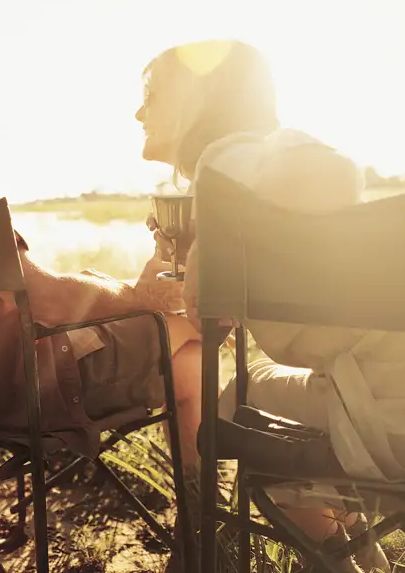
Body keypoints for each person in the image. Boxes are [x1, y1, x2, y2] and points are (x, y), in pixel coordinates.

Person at [0, 42, 203, 499]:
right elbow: (43, 297)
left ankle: (198, 514)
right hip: (22, 395)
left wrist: (114, 291)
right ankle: (203, 514)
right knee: (189, 335)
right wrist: (138, 298)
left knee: (166, 340)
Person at [139, 39, 390, 572]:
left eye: (152, 94)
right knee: (249, 387)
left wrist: (216, 233)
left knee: (235, 405)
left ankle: (336, 559)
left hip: (389, 420)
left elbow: (331, 174)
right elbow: (215, 308)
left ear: (194, 101)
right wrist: (221, 247)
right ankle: (353, 554)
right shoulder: (242, 163)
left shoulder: (233, 156)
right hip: (380, 397)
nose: (139, 111)